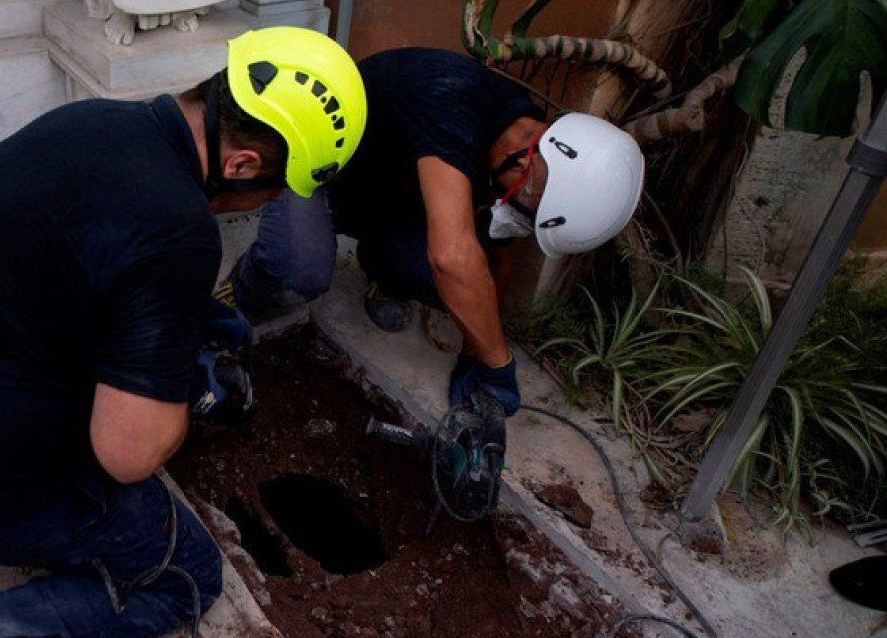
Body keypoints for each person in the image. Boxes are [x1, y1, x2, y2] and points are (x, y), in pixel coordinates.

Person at [0, 26, 366, 638]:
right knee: (187, 575)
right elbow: (128, 458)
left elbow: (98, 270)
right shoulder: (178, 232)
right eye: (274, 189)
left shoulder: (96, 121)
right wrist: (181, 395)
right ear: (242, 164)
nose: (262, 204)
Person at [216, 47, 645, 417]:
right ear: (525, 162)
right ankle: (243, 292)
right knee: (299, 271)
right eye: (520, 207)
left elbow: (491, 261)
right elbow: (452, 256)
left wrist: (476, 349)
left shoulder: (518, 140)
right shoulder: (448, 99)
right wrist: (499, 363)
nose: (512, 214)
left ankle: (383, 271)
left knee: (450, 282)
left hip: (386, 192)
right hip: (319, 173)